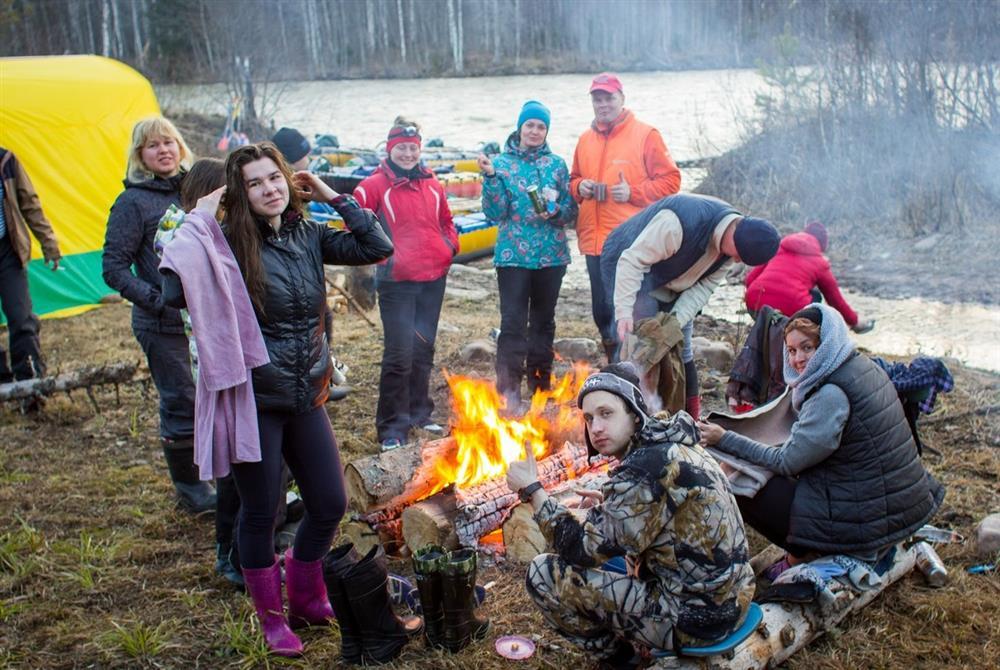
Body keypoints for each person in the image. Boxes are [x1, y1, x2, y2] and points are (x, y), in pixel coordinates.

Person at [161, 142, 395, 656]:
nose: (269, 189)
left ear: (288, 180)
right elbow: (173, 291)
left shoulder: (307, 235)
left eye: (274, 178)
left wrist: (333, 195)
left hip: (307, 395)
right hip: (256, 400)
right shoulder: (226, 243)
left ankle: (306, 597)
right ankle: (271, 619)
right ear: (239, 193)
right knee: (261, 512)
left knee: (330, 503)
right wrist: (199, 220)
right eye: (255, 183)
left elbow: (377, 246)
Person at [505, 363, 754, 669]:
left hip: (695, 620)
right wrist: (609, 507)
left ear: (635, 414)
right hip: (734, 599)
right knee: (614, 561)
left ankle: (623, 661)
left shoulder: (644, 467)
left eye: (606, 413)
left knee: (543, 574)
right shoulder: (670, 443)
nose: (596, 427)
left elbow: (581, 550)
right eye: (589, 418)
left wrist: (534, 491)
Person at [699, 304, 944, 574]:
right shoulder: (860, 365)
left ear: (826, 342)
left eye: (807, 347)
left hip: (865, 526)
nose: (798, 359)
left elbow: (787, 462)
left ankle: (804, 553)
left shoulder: (830, 395)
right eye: (791, 350)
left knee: (739, 482)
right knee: (753, 466)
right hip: (893, 508)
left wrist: (725, 439)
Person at [101, 117, 216, 513]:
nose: (163, 150)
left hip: (205, 319)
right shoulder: (132, 202)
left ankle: (218, 470)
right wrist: (158, 299)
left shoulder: (196, 189)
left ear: (180, 147)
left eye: (169, 142)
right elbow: (113, 267)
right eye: (153, 145)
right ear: (140, 155)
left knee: (212, 395)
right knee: (181, 399)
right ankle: (191, 488)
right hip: (162, 323)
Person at [601, 193, 780, 419]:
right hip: (628, 264)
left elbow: (703, 288)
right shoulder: (678, 223)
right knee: (638, 347)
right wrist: (625, 312)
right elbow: (632, 262)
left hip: (676, 281)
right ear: (735, 232)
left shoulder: (731, 248)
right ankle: (627, 416)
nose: (736, 260)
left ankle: (692, 422)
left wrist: (674, 323)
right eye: (739, 255)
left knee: (681, 345)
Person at [154, 158, 244, 588]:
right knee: (233, 467)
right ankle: (228, 552)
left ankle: (250, 541)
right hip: (216, 363)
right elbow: (175, 282)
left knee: (252, 462)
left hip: (244, 360)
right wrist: (205, 215)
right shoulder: (182, 230)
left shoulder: (223, 229)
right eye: (228, 197)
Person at [353, 117, 458, 450]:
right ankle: (391, 428)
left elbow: (447, 221)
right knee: (399, 355)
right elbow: (354, 223)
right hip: (397, 282)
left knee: (423, 349)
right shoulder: (373, 186)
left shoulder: (432, 184)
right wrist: (384, 258)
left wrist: (449, 247)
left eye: (413, 148)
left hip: (433, 278)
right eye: (402, 148)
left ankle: (419, 413)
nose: (408, 154)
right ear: (390, 149)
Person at [570, 73, 682, 361]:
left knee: (631, 314)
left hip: (630, 243)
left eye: (609, 97)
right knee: (602, 313)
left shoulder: (645, 134)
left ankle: (637, 370)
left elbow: (671, 182)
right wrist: (579, 187)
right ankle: (614, 366)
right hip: (594, 244)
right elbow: (573, 180)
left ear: (622, 98)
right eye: (597, 99)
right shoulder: (584, 139)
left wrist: (633, 192)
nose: (603, 104)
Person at [478, 100, 577, 410]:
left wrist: (556, 212)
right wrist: (490, 178)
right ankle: (508, 394)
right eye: (530, 125)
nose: (535, 131)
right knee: (512, 325)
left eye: (541, 126)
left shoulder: (556, 164)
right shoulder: (501, 163)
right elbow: (494, 213)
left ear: (547, 131)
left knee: (544, 324)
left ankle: (539, 391)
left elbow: (570, 211)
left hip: (551, 257)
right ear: (520, 128)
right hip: (513, 257)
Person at [0, 147, 62, 412]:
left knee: (21, 317)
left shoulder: (6, 160)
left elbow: (30, 203)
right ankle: (3, 384)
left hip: (7, 251)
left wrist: (49, 243)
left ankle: (31, 385)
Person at [744, 220, 873, 333]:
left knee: (769, 330)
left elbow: (750, 279)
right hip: (792, 313)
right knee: (816, 298)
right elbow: (835, 300)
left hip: (755, 305)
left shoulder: (778, 248)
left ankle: (767, 335)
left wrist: (758, 297)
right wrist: (854, 321)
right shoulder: (819, 262)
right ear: (821, 245)